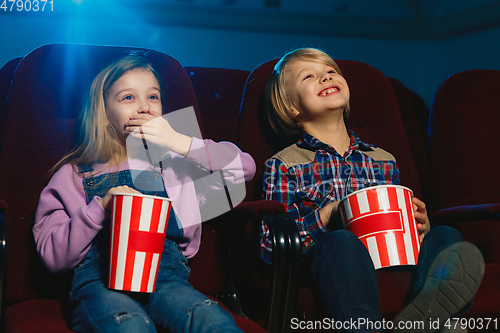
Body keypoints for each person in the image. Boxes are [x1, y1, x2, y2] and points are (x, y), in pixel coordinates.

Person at [260, 47, 484, 332]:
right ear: (292, 108)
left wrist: (420, 225)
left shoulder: (383, 159)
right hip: (338, 262)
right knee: (341, 241)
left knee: (446, 235)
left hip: (395, 258)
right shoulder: (284, 164)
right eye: (310, 76)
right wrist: (327, 215)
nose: (326, 77)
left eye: (331, 72)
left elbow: (402, 230)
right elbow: (269, 246)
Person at [33, 54, 256, 333]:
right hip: (100, 281)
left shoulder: (176, 168)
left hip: (167, 281)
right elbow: (53, 258)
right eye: (128, 98)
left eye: (153, 97)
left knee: (213, 322)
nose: (144, 107)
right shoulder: (74, 175)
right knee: (130, 327)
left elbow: (243, 169)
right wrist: (99, 208)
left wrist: (178, 141)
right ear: (103, 113)